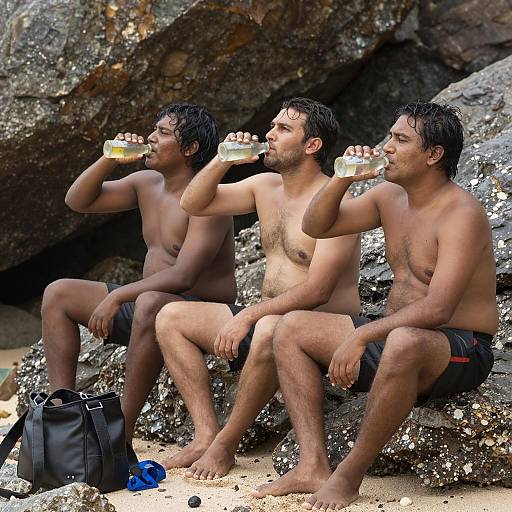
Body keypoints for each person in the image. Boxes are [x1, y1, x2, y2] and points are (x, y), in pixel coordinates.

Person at [251, 101, 498, 509]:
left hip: (460, 348)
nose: (387, 147)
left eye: (401, 140)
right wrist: (342, 180)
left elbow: (438, 309)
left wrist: (362, 334)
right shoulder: (388, 196)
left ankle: (349, 476)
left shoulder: (462, 213)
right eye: (390, 136)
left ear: (433, 155)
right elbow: (317, 226)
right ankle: (312, 464)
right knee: (291, 326)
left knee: (402, 341)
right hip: (395, 337)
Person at [155, 97, 361, 478]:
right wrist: (223, 160)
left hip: (313, 327)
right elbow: (194, 203)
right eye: (273, 126)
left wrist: (248, 315)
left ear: (312, 145)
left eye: (284, 129)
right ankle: (205, 435)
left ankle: (224, 445)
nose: (270, 134)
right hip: (265, 319)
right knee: (171, 316)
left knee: (270, 327)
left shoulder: (336, 200)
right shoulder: (264, 186)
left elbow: (318, 290)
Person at [41, 103, 237, 443]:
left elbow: (184, 276)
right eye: (154, 130)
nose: (151, 138)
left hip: (197, 311)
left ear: (190, 149)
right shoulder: (146, 183)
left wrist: (119, 295)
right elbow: (78, 201)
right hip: (149, 305)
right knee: (58, 293)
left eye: (163, 133)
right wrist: (110, 159)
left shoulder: (210, 200)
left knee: (147, 302)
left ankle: (121, 431)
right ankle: (62, 411)